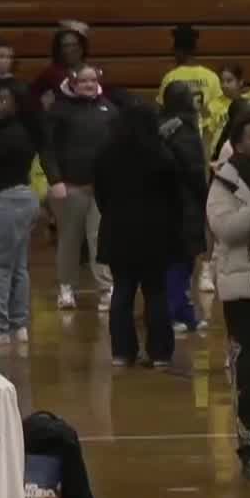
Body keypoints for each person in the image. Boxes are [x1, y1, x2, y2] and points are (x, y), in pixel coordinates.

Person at [208, 111, 250, 477]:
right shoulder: (224, 180)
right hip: (241, 290)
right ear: (237, 142)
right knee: (247, 372)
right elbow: (225, 229)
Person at [95, 101, 182, 368]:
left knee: (122, 291)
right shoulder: (162, 153)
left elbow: (101, 195)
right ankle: (160, 354)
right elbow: (175, 198)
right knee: (156, 292)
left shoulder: (107, 153)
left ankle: (122, 352)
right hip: (155, 234)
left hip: (118, 232)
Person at [43, 65, 121, 310]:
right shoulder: (59, 111)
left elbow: (119, 145)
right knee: (69, 238)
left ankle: (106, 288)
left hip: (102, 187)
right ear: (73, 83)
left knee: (101, 238)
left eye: (92, 80)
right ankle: (66, 287)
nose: (88, 85)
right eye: (83, 81)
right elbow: (47, 148)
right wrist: (55, 180)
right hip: (70, 187)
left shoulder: (109, 109)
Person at [0, 82, 39, 341]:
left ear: (17, 103)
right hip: (26, 197)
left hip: (6, 199)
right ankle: (18, 324)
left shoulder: (7, 134)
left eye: (4, 99)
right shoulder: (27, 130)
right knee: (18, 265)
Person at [160, 81, 212, 336]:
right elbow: (194, 172)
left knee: (178, 263)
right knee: (180, 263)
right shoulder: (185, 131)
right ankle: (175, 313)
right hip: (184, 206)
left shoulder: (162, 127)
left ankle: (183, 313)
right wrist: (206, 199)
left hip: (166, 204)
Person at [158, 25, 226, 144]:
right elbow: (219, 112)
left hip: (179, 139)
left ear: (178, 51)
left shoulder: (170, 78)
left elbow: (162, 113)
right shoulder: (211, 77)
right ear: (195, 49)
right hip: (205, 139)